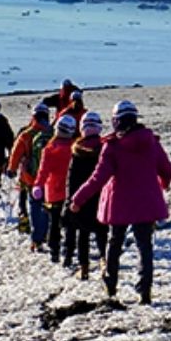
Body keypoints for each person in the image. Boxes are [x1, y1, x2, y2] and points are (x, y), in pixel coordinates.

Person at [70, 101, 171, 304]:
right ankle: (145, 291)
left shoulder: (113, 147)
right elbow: (166, 169)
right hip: (146, 202)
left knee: (115, 243)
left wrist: (77, 199)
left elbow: (97, 179)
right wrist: (162, 184)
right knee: (145, 246)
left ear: (116, 121)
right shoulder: (151, 142)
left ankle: (111, 285)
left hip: (119, 204)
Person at [63, 111, 108, 280]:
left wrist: (71, 201)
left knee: (83, 234)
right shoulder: (105, 148)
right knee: (102, 232)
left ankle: (84, 268)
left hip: (81, 200)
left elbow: (72, 179)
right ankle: (105, 261)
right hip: (101, 198)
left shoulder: (77, 151)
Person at [7, 103, 53, 251]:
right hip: (50, 179)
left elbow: (16, 154)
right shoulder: (53, 133)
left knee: (34, 207)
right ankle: (46, 233)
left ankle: (36, 239)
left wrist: (12, 169)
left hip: (31, 178)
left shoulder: (26, 134)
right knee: (47, 207)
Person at [33, 114, 77, 264]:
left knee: (54, 223)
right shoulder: (75, 148)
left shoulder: (50, 149)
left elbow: (43, 171)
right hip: (71, 190)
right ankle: (69, 251)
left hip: (53, 192)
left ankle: (54, 251)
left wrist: (38, 185)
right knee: (70, 225)